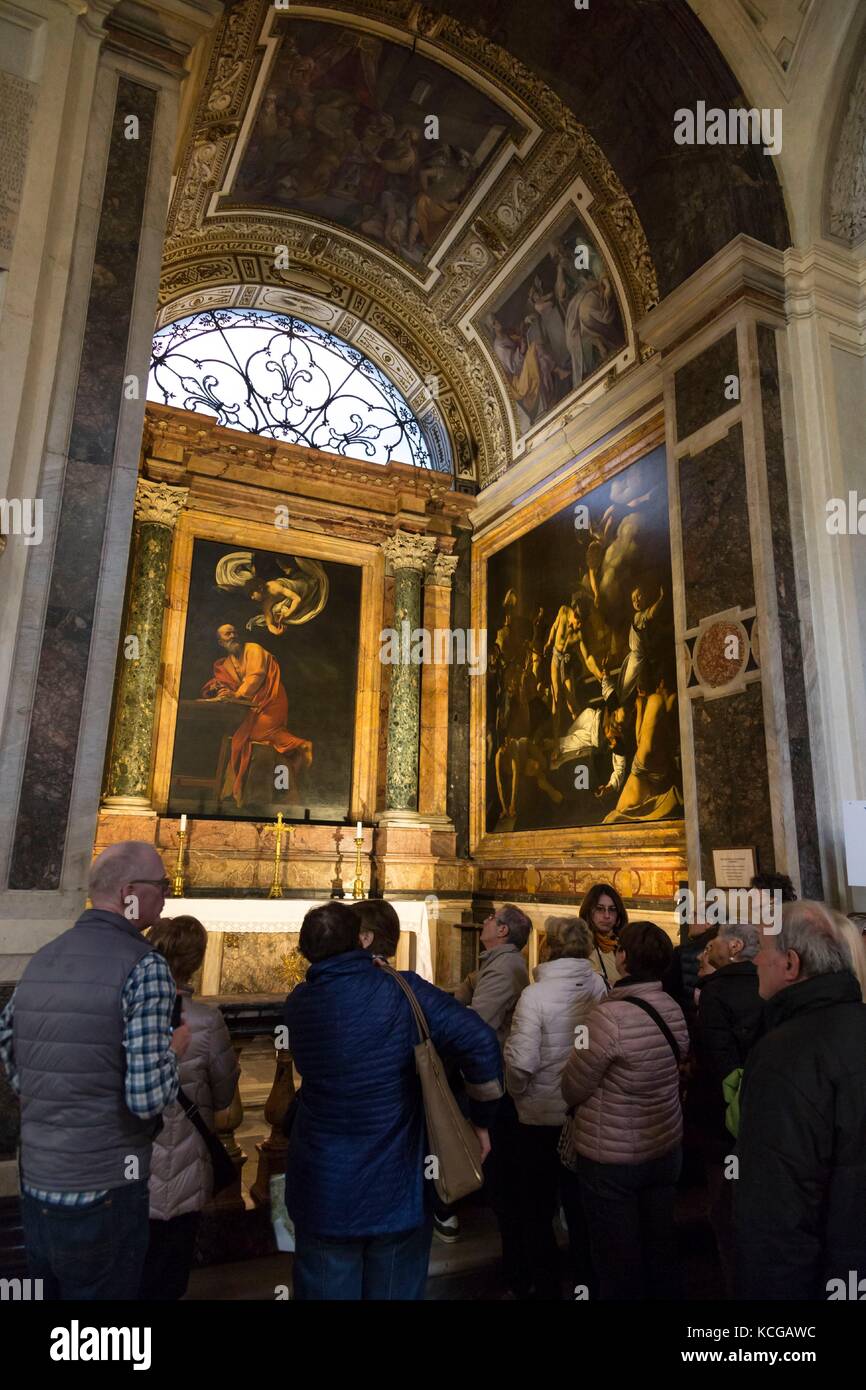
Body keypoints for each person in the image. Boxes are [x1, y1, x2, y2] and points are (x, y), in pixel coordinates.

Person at [0, 841, 190, 1300]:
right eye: (160, 885)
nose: (166, 895)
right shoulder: (145, 967)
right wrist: (172, 1049)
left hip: (39, 1179)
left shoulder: (45, 958)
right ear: (128, 892)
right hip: (106, 1185)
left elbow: (10, 1051)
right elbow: (145, 1098)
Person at [283, 902, 502, 1300]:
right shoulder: (402, 990)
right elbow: (481, 1040)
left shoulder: (299, 1003)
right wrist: (483, 1120)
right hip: (397, 1183)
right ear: (360, 940)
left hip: (324, 1185)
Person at [735, 899, 866, 1300]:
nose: (754, 959)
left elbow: (777, 1214)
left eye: (761, 947)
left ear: (791, 964)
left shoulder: (783, 1056)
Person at [561, 920, 689, 1300]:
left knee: (618, 1261)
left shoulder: (606, 1017)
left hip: (612, 1159)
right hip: (664, 1147)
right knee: (660, 1248)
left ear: (623, 958)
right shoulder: (674, 1008)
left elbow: (573, 1086)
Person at [504, 916, 606, 1299]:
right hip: (582, 1113)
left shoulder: (535, 995)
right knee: (580, 1207)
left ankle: (545, 1287)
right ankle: (586, 1284)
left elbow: (521, 1062)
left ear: (549, 946)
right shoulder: (598, 985)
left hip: (538, 1118)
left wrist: (516, 1094)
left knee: (535, 1208)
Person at [140, 915, 239, 1300]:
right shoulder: (207, 1021)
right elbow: (226, 1091)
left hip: (131, 1167)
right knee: (170, 1273)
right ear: (197, 960)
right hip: (186, 1163)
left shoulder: (125, 1009)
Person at [455, 904, 531, 1293]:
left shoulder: (504, 968)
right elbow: (466, 993)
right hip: (497, 1075)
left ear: (502, 931)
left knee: (500, 1162)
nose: (483, 922)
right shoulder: (496, 962)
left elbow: (476, 1020)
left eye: (490, 919)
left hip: (497, 1077)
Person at [692, 922, 764, 1292]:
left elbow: (716, 1063)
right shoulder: (766, 985)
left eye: (715, 941)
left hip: (725, 1123)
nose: (708, 948)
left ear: (734, 945)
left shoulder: (715, 993)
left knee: (726, 1210)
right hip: (765, 1119)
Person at [201, 623, 312, 806]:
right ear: (221, 642)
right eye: (228, 634)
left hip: (272, 699)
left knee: (253, 736)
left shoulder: (253, 649)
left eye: (234, 631)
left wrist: (236, 695)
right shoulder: (226, 664)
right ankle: (241, 794)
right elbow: (225, 683)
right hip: (251, 706)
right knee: (247, 737)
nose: (233, 635)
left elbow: (256, 677)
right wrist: (220, 690)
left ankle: (302, 745)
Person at [579, 882, 628, 986]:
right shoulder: (579, 946)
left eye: (612, 909)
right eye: (600, 909)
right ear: (588, 911)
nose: (607, 915)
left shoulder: (625, 945)